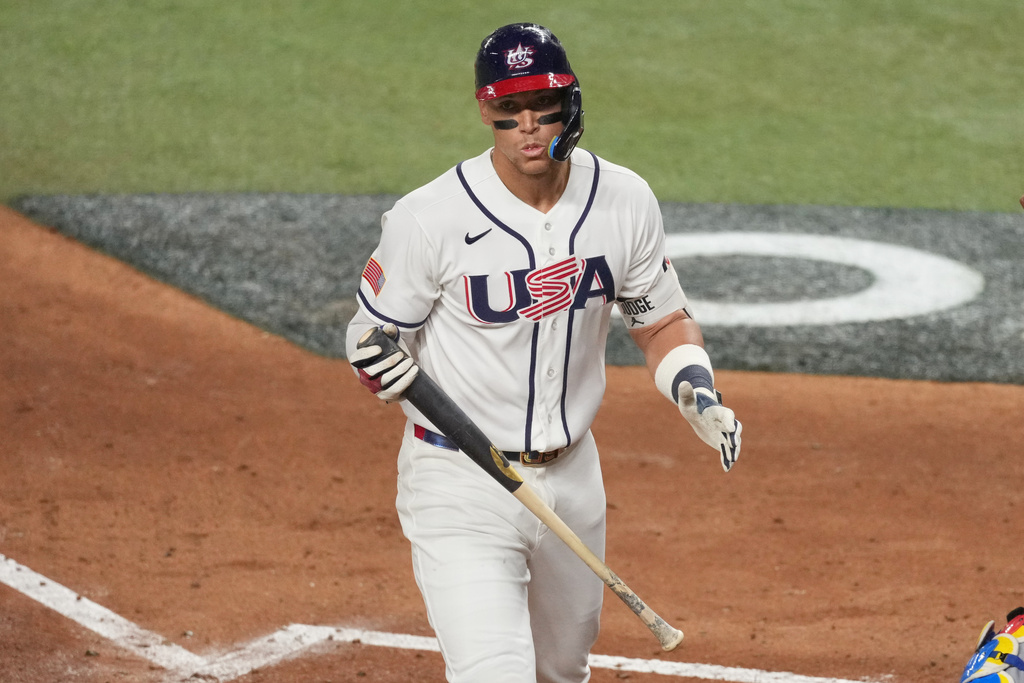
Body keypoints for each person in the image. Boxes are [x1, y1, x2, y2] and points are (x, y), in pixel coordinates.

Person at [345, 22, 742, 683]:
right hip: (461, 479)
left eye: (542, 107)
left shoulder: (623, 201)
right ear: (485, 111)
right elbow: (372, 337)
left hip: (574, 479)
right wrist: (376, 364)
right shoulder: (429, 218)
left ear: (572, 104)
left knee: (561, 671)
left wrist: (693, 386)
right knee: (495, 672)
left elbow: (658, 317)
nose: (527, 127)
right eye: (508, 112)